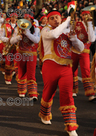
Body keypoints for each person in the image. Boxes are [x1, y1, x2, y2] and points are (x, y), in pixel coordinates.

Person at [38, 8, 84, 136]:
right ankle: (45, 114)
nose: (55, 20)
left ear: (60, 18)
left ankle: (71, 126)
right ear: (47, 20)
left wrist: (74, 39)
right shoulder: (45, 30)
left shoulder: (66, 30)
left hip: (66, 68)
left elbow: (80, 48)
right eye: (51, 18)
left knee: (67, 95)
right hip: (50, 66)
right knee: (48, 93)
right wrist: (67, 21)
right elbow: (54, 35)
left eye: (57, 17)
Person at [10, 14, 40, 100]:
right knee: (21, 73)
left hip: (31, 54)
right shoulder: (18, 29)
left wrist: (27, 33)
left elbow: (37, 40)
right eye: (25, 18)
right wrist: (17, 38)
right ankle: (22, 91)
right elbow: (11, 41)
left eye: (28, 19)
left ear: (31, 20)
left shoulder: (36, 29)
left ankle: (33, 94)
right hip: (21, 54)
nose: (26, 20)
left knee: (31, 74)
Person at [72, 10, 96, 101]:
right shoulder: (76, 24)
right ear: (81, 16)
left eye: (87, 15)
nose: (86, 16)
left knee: (86, 71)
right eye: (84, 15)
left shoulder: (93, 26)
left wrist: (89, 24)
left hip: (85, 51)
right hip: (74, 51)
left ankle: (90, 93)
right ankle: (72, 90)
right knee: (71, 70)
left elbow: (91, 39)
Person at [0, 12, 18, 84]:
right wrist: (8, 40)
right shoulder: (5, 26)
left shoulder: (19, 26)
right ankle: (8, 78)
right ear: (10, 18)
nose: (14, 19)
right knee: (8, 61)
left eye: (15, 17)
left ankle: (13, 73)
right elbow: (1, 37)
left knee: (16, 61)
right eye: (12, 17)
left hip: (16, 46)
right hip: (8, 46)